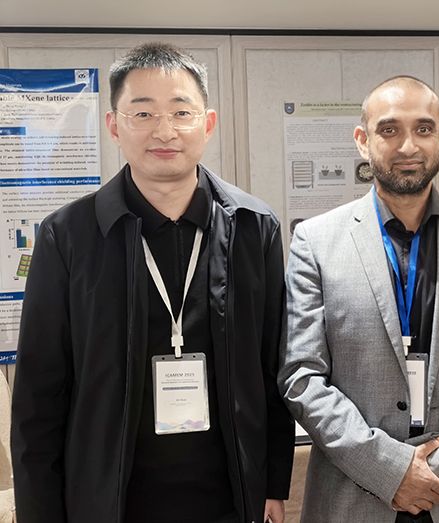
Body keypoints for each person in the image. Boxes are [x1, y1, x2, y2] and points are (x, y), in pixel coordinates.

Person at [11, 42, 295, 523]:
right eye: (142, 113)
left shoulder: (254, 227)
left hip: (230, 500)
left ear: (207, 123)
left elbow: (274, 368)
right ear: (113, 125)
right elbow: (39, 397)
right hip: (108, 504)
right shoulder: (68, 236)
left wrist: (272, 484)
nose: (164, 131)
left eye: (181, 112)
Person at [279, 76, 439, 523]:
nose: (407, 146)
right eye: (389, 129)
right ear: (362, 141)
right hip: (354, 499)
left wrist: (437, 467)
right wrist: (390, 470)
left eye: (423, 129)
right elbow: (301, 376)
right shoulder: (315, 242)